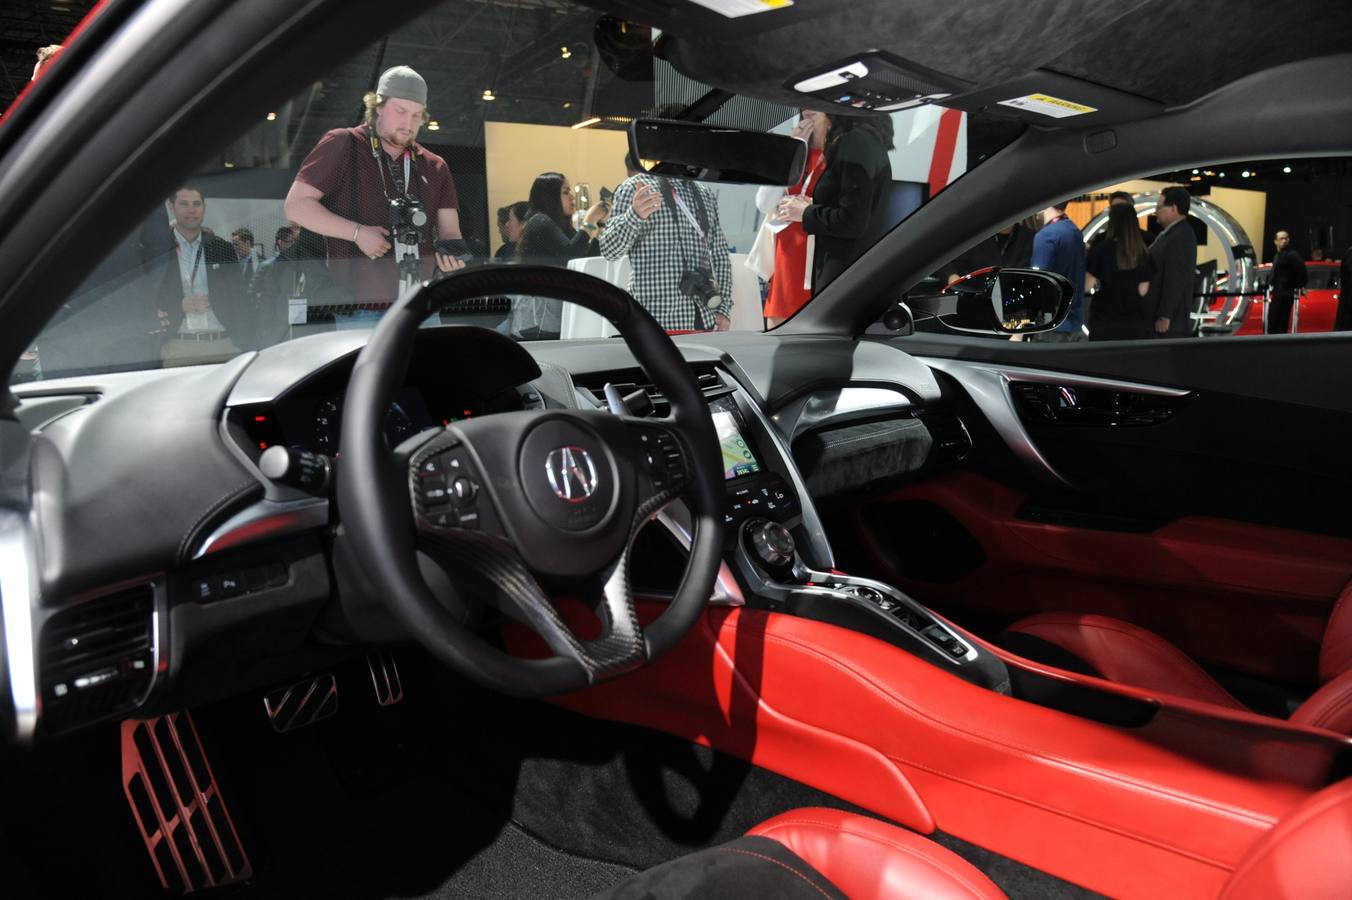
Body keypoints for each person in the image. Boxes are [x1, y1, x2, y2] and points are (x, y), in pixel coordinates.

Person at [283, 65, 463, 321]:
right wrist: (357, 233)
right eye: (400, 111)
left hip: (421, 307)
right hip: (357, 310)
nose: (408, 123)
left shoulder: (435, 165)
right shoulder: (344, 144)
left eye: (416, 115)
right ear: (378, 106)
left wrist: (450, 253)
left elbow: (450, 232)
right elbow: (296, 206)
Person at [601, 161, 734, 332]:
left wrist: (723, 309)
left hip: (703, 319)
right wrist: (633, 216)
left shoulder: (704, 193)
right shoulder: (635, 187)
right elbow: (608, 250)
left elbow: (720, 254)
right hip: (654, 321)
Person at [777, 114, 894, 293]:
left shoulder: (855, 143)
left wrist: (806, 212)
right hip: (854, 274)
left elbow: (852, 220)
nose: (807, 122)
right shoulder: (868, 143)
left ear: (831, 116)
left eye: (814, 117)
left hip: (842, 278)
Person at [152, 185, 247, 366]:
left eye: (197, 204)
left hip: (223, 344)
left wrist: (242, 341)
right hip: (178, 345)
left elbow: (240, 298)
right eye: (184, 204)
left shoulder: (222, 248)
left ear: (204, 207)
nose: (191, 210)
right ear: (171, 207)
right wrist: (180, 305)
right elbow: (148, 298)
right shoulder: (158, 251)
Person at [755, 109, 829, 327]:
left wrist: (807, 210)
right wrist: (791, 150)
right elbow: (764, 203)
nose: (808, 113)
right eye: (804, 108)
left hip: (818, 262)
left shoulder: (837, 160)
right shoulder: (797, 156)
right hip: (787, 263)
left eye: (816, 110)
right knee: (777, 338)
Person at [1085, 203, 1155, 341]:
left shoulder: (1101, 250)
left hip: (1104, 320)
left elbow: (1087, 286)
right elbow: (1143, 290)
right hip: (1133, 322)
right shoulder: (1143, 253)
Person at [517, 174, 607, 266]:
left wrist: (602, 226)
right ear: (550, 197)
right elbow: (570, 256)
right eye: (565, 192)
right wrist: (589, 219)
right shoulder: (539, 221)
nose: (572, 197)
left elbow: (586, 260)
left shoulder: (564, 227)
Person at [1028, 201, 1087, 341]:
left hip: (1050, 325)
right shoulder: (1075, 231)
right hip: (1075, 322)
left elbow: (1037, 284)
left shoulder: (1046, 236)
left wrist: (1019, 331)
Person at [1146, 186, 1198, 338]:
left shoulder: (1181, 236)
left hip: (1169, 325)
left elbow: (1176, 277)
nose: (1156, 211)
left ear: (1174, 208)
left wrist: (1164, 315)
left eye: (1159, 207)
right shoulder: (1173, 233)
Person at [1267, 229, 1307, 334]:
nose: (1284, 241)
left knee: (1279, 321)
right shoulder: (1277, 256)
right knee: (1273, 320)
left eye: (1286, 238)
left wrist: (1297, 286)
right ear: (1275, 241)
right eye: (1281, 239)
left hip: (1286, 293)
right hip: (1277, 292)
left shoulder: (1292, 255)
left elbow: (1302, 271)